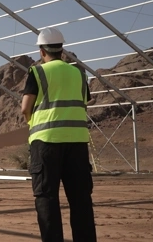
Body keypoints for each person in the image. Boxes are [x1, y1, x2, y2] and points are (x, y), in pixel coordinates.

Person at [21, 27, 97, 242]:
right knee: (81, 200)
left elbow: (25, 107)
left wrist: (32, 122)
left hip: (46, 142)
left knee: (46, 198)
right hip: (77, 143)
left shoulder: (38, 72)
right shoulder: (79, 73)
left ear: (41, 51)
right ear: (62, 50)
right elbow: (83, 102)